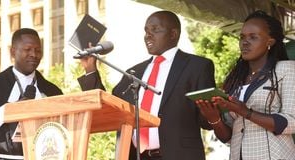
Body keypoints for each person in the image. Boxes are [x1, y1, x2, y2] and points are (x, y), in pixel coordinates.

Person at [78, 10, 216, 160]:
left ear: (173, 34)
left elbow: (208, 120)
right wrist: (90, 69)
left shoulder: (197, 67)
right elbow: (108, 107)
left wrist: (214, 114)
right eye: (146, 31)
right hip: (136, 156)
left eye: (155, 30)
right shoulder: (134, 72)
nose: (148, 35)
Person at [195, 10, 295, 160]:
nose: (245, 42)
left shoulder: (286, 69)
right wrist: (214, 118)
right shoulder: (236, 80)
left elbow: (291, 122)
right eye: (242, 37)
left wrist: (246, 112)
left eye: (253, 37)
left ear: (270, 42)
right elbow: (228, 137)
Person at [0, 28, 63, 159]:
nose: (34, 54)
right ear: (13, 52)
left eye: (38, 50)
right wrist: (9, 111)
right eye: (27, 49)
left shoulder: (52, 91)